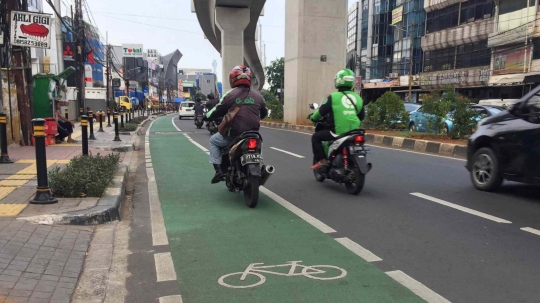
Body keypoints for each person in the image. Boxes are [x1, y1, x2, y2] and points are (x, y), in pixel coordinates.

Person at [205, 65, 268, 184]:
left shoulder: (230, 94)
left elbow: (217, 110)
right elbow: (264, 112)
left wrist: (206, 116)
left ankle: (218, 171)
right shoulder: (258, 95)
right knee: (259, 143)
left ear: (233, 79)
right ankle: (260, 166)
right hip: (253, 133)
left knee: (214, 140)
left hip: (234, 135)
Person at [310, 69, 365, 170]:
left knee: (315, 137)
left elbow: (321, 112)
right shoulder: (358, 98)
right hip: (355, 132)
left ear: (338, 81)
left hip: (338, 131)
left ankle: (322, 161)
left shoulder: (333, 97)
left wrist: (313, 117)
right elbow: (361, 116)